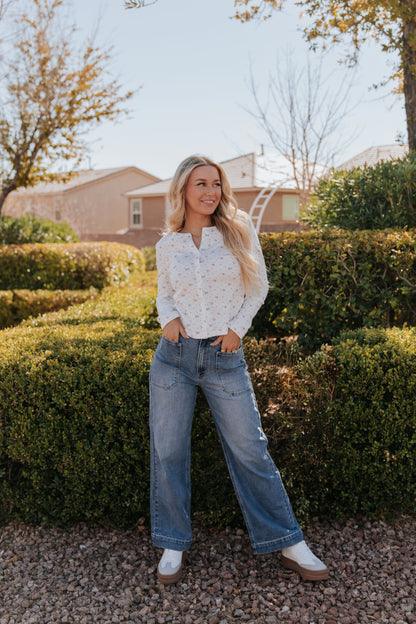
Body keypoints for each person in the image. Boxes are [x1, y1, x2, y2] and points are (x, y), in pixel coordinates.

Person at [149, 155, 328, 584]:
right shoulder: (167, 243)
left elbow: (259, 284)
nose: (210, 191)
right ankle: (173, 542)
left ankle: (289, 541)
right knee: (168, 451)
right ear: (183, 191)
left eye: (216, 183)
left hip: (224, 358)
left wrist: (237, 329)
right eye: (200, 184)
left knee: (251, 449)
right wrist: (167, 319)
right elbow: (164, 293)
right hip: (173, 359)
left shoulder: (238, 229)